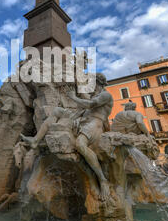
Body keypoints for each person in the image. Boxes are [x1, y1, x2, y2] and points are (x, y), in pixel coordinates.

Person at [21, 73, 113, 201]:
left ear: (98, 83)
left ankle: (102, 180)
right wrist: (75, 118)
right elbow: (84, 110)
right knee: (57, 111)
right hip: (82, 120)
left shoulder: (105, 95)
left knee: (80, 144)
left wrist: (73, 97)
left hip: (95, 123)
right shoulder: (94, 95)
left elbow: (90, 105)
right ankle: (36, 140)